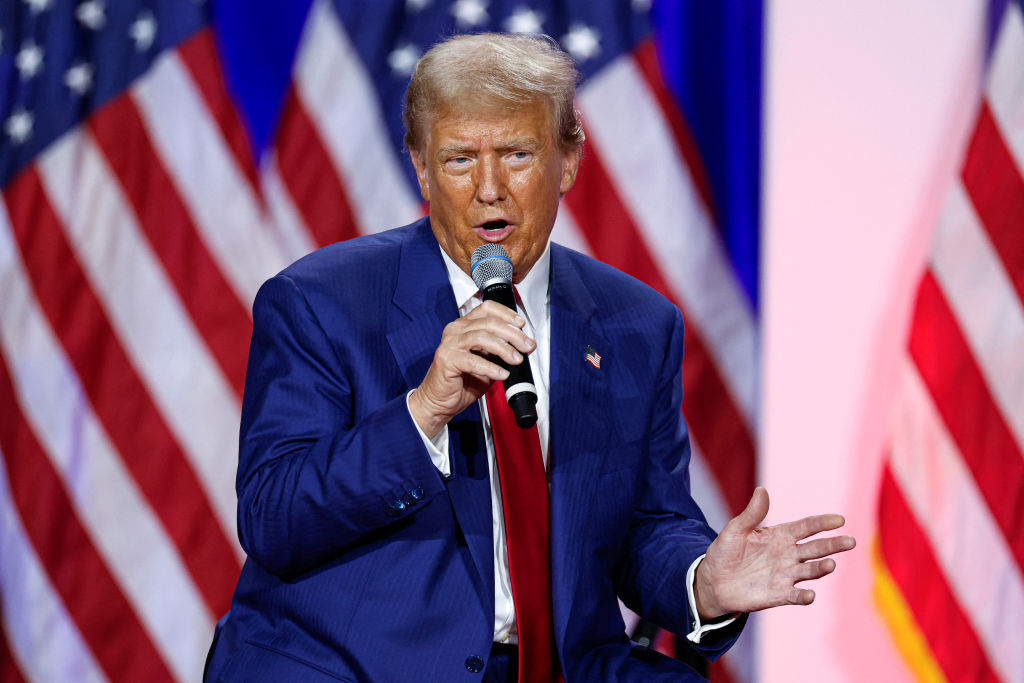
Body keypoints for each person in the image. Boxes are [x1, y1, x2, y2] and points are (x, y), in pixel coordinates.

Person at [204, 33, 854, 682]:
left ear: (567, 161)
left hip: (560, 665)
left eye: (516, 154)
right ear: (421, 167)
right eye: (459, 160)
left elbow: (647, 525)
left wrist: (701, 584)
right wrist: (423, 411)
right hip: (358, 665)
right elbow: (273, 517)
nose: (489, 189)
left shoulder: (636, 322)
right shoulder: (321, 302)